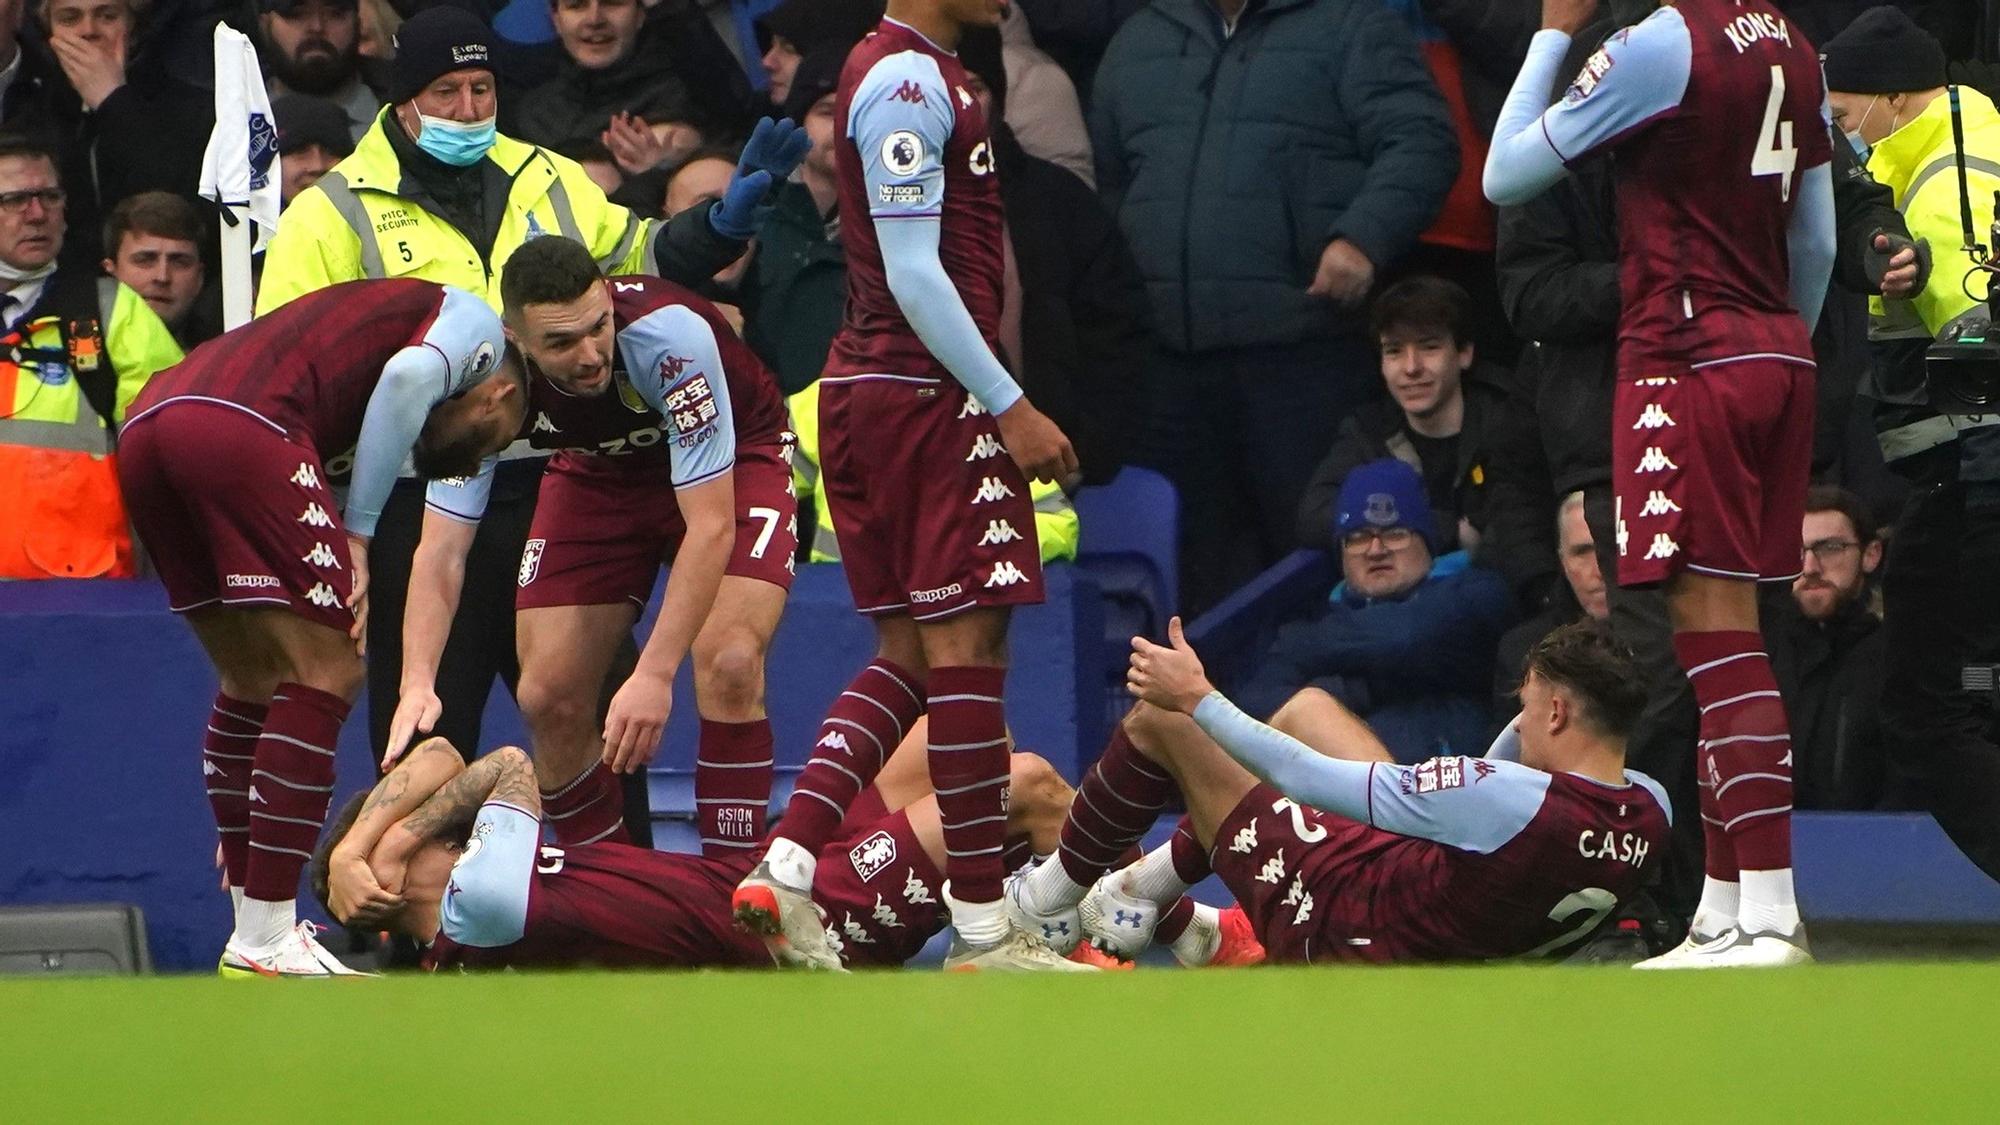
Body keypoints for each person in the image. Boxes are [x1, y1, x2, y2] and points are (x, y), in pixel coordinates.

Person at [258, 5, 810, 789]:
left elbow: (641, 262)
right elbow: (291, 385)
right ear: (402, 98)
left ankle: (613, 896)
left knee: (577, 711)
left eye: (482, 88)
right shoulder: (329, 214)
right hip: (429, 488)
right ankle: (411, 915)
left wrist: (719, 223)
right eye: (446, 92)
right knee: (424, 738)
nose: (469, 110)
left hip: (565, 471)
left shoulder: (544, 174)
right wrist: (339, 528)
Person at [729, 0, 1081, 974]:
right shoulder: (906, 83)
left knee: (912, 658)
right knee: (968, 656)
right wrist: (1007, 402)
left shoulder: (916, 73)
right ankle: (980, 935)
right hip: (920, 394)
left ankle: (789, 865)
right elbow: (915, 271)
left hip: (878, 391)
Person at [1483, 0, 1836, 968]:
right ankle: (1721, 908)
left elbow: (1503, 171)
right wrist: (1771, 338)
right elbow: (1815, 246)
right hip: (1773, 352)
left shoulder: (1659, 44)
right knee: (1729, 638)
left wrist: (1553, 32)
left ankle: (1767, 913)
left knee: (1715, 647)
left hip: (1685, 359)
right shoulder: (1797, 50)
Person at [114, 278, 528, 977]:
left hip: (150, 423)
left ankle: (252, 927)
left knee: (249, 680)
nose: (473, 462)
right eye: (491, 444)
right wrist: (359, 532)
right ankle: (270, 937)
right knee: (329, 668)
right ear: (497, 396)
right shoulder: (478, 332)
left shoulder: (363, 366)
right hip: (243, 422)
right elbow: (408, 376)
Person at [389, 238, 797, 866]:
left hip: (735, 461)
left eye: (598, 327)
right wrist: (417, 680)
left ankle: (732, 895)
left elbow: (709, 528)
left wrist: (655, 674)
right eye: (560, 343)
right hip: (601, 470)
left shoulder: (670, 339)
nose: (589, 355)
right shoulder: (483, 386)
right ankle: (615, 898)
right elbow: (440, 554)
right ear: (514, 340)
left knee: (731, 660)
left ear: (609, 298)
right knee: (547, 695)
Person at [1015, 615, 1671, 963]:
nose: (1519, 723)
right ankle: (1150, 893)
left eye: (1526, 707)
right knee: (1308, 710)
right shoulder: (1650, 805)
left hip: (1346, 930)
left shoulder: (1498, 799)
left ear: (1557, 712)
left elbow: (1300, 776)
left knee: (1163, 721)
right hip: (1440, 916)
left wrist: (1200, 695)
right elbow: (1507, 780)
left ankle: (1044, 903)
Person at [1090, 0, 1459, 612]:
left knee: (1311, 558)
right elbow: (1109, 183)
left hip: (1302, 354)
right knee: (1186, 574)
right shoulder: (1138, 40)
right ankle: (1199, 705)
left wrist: (1363, 235)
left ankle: (1320, 699)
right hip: (1167, 365)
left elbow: (1421, 141)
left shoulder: (1351, 22)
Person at [313, 735, 1086, 972]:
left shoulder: (484, 879)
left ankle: (1045, 918)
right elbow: (509, 762)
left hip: (765, 870)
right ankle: (1102, 929)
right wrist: (380, 841)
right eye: (406, 841)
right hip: (797, 924)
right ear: (382, 891)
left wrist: (354, 845)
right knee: (1020, 784)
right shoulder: (475, 912)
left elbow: (442, 751)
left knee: (954, 731)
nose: (434, 832)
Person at [1822, 6, 2000, 879]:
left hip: (1973, 477)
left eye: (1846, 115)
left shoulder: (1941, 189)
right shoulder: (1984, 140)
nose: (1840, 135)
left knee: (1924, 710)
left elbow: (1979, 336)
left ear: (1893, 100)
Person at [958, 27, 1145, 486]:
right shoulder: (877, 214)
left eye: (974, 88)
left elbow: (1118, 335)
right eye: (940, 90)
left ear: (998, 99)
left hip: (1055, 479)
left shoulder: (1059, 204)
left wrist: (1082, 453)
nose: (958, 106)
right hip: (929, 488)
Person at [1235, 458, 1514, 762]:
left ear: (1427, 541)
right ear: (1340, 553)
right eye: (1358, 537)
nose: (1376, 549)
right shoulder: (1315, 619)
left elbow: (1406, 637)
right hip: (1356, 800)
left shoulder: (1476, 593)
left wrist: (1330, 686)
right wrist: (1366, 687)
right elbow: (1257, 706)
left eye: (1395, 533)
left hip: (1475, 787)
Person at [0, 134, 181, 581]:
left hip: (80, 604)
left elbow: (177, 446)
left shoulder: (112, 310)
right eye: (15, 200)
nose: (37, 214)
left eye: (49, 196)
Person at [1295, 276, 1521, 560]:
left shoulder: (1510, 419)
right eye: (1394, 351)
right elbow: (1314, 515)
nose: (1411, 368)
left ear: (1464, 354)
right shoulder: (1366, 431)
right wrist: (1441, 529)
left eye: (1429, 347)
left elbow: (1527, 520)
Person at [0, 0, 215, 265]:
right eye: (69, 19)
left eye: (107, 16)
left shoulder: (193, 109)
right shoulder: (25, 106)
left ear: (132, 26)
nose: (89, 30)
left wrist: (115, 103)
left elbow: (188, 212)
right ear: (48, 32)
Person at [1765, 485, 1888, 810]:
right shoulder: (1762, 658)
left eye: (1829, 548)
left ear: (1871, 554)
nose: (1810, 568)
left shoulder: (1896, 660)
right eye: (1796, 550)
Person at [740, 47, 847, 395]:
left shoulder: (907, 216)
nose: (845, 127)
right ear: (800, 121)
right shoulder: (758, 211)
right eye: (828, 112)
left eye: (859, 111)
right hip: (775, 429)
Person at [1492, 491, 1609, 724]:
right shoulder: (1521, 652)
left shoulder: (1670, 638)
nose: (1599, 569)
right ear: (1562, 562)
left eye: (1607, 547)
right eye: (1582, 553)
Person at [256, 0, 387, 143]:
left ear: (358, 21)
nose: (317, 26)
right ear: (264, 24)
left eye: (335, 13)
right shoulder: (235, 113)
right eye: (297, 14)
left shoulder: (403, 109)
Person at [99, 191, 211, 349]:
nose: (162, 277)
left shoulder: (227, 356)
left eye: (179, 262)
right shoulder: (69, 350)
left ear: (199, 278)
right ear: (110, 272)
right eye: (145, 260)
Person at [271, 92, 356, 209]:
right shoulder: (243, 224)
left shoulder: (372, 223)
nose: (318, 165)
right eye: (300, 151)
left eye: (331, 150)